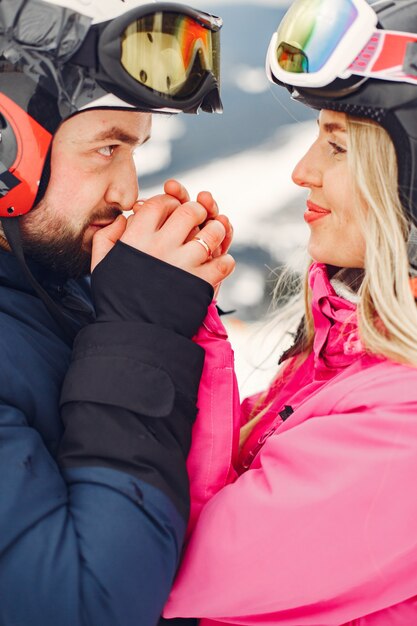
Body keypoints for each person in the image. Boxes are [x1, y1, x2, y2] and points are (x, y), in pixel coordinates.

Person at [161, 0, 417, 624]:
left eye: (336, 146)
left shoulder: (401, 423)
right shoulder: (346, 353)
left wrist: (160, 325)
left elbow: (158, 567)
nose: (303, 172)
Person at [0, 1, 235, 625]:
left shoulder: (51, 287)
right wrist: (142, 327)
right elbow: (81, 604)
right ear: (6, 153)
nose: (129, 192)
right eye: (107, 147)